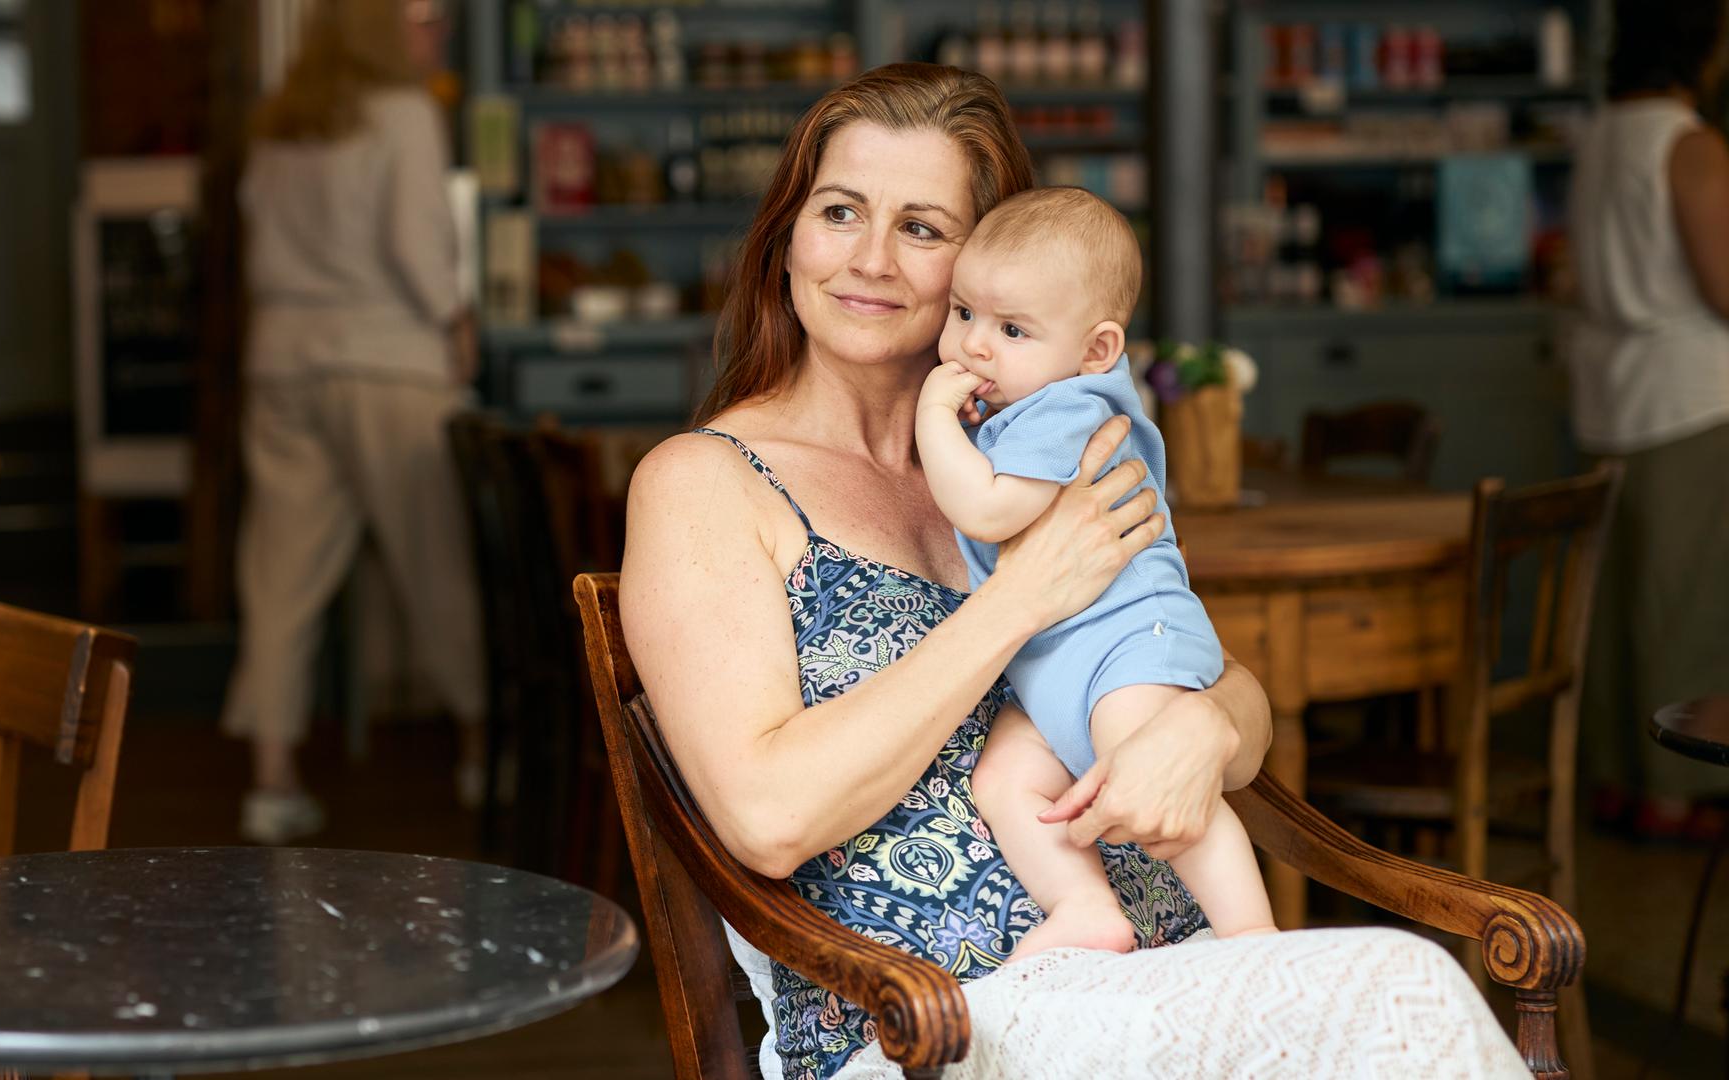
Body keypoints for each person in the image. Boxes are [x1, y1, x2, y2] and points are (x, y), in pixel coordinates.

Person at [622, 62, 1528, 1079]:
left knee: (1395, 1001)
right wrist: (1019, 598)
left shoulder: (1043, 440)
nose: (870, 259)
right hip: (937, 1024)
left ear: (992, 263)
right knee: (1409, 991)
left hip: (1164, 969)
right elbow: (768, 816)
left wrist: (1208, 724)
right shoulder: (704, 483)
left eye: (921, 228)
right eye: (840, 212)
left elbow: (1181, 659)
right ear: (788, 234)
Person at [915, 186, 1273, 960]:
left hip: (1124, 647)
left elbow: (986, 509)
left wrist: (930, 421)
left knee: (1157, 785)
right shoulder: (1020, 404)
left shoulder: (1072, 408)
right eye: (964, 314)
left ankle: (1253, 941)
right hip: (1059, 670)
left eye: (1011, 329)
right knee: (1005, 781)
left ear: (1096, 351)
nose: (975, 345)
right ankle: (1083, 906)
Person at [222, 0, 484, 844]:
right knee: (436, 561)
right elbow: (416, 244)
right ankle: (480, 750)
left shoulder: (280, 122)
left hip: (285, 361)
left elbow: (256, 241)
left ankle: (272, 779)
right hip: (387, 363)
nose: (436, 33)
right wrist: (457, 320)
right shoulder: (405, 114)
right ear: (380, 29)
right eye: (422, 19)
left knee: (279, 575)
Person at [1568, 0, 1729, 841]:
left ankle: (1612, 778)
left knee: (1613, 607)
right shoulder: (1689, 143)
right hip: (1688, 400)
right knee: (1686, 604)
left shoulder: (1599, 135)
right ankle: (1675, 794)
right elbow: (1724, 285)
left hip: (1607, 399)